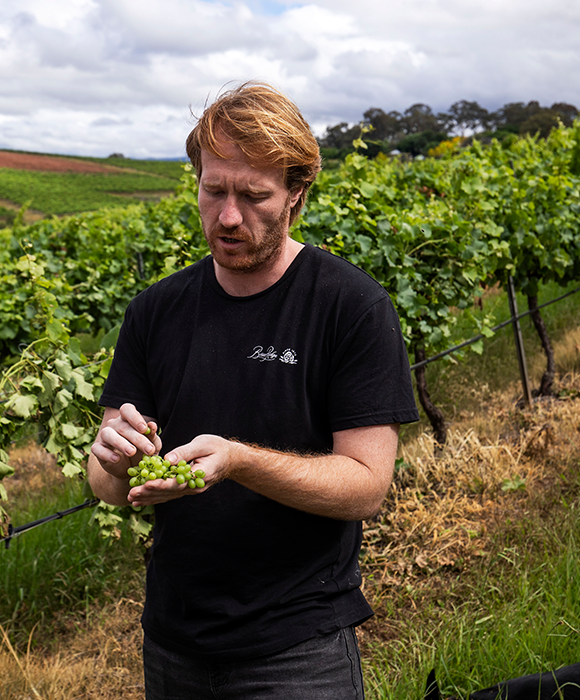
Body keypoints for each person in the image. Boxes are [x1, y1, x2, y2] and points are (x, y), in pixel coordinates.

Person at [87, 81, 419, 699]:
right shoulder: (154, 311)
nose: (229, 216)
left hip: (297, 651)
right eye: (213, 191)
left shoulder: (350, 307)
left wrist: (237, 461)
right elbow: (107, 486)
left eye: (253, 195)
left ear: (296, 194)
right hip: (170, 642)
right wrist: (115, 462)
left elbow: (367, 486)